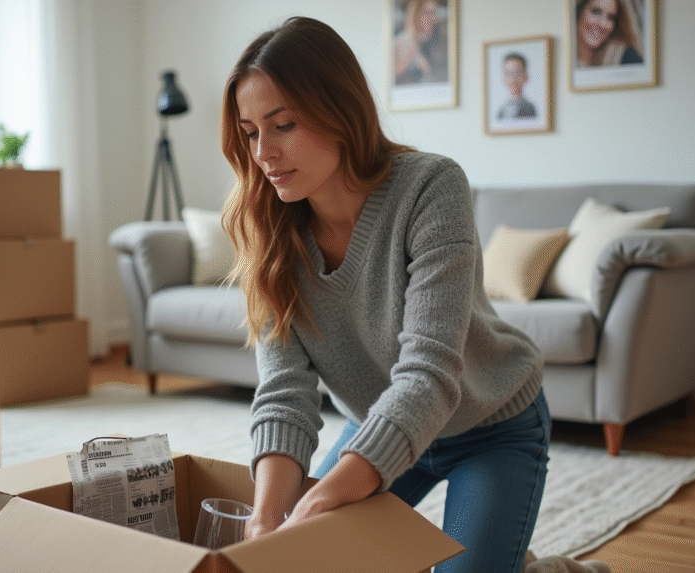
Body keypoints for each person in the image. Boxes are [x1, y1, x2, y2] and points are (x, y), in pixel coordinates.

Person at [221, 16, 550, 573]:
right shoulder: (268, 229)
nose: (263, 153)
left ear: (339, 113)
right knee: (311, 560)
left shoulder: (430, 187)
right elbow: (284, 393)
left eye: (284, 125)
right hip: (379, 424)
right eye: (251, 132)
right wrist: (266, 520)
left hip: (490, 425)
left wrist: (322, 498)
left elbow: (427, 373)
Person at [576, 0, 644, 67]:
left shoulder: (626, 57)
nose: (603, 24)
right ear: (579, 11)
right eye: (596, 12)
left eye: (610, 17)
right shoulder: (567, 56)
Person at [393, 0, 447, 84]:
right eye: (428, 13)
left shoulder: (427, 46)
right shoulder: (399, 44)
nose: (433, 19)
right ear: (415, 15)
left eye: (434, 14)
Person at [496, 52, 537, 121]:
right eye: (508, 74)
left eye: (517, 73)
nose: (512, 79)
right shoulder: (501, 111)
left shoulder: (530, 109)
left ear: (525, 77)